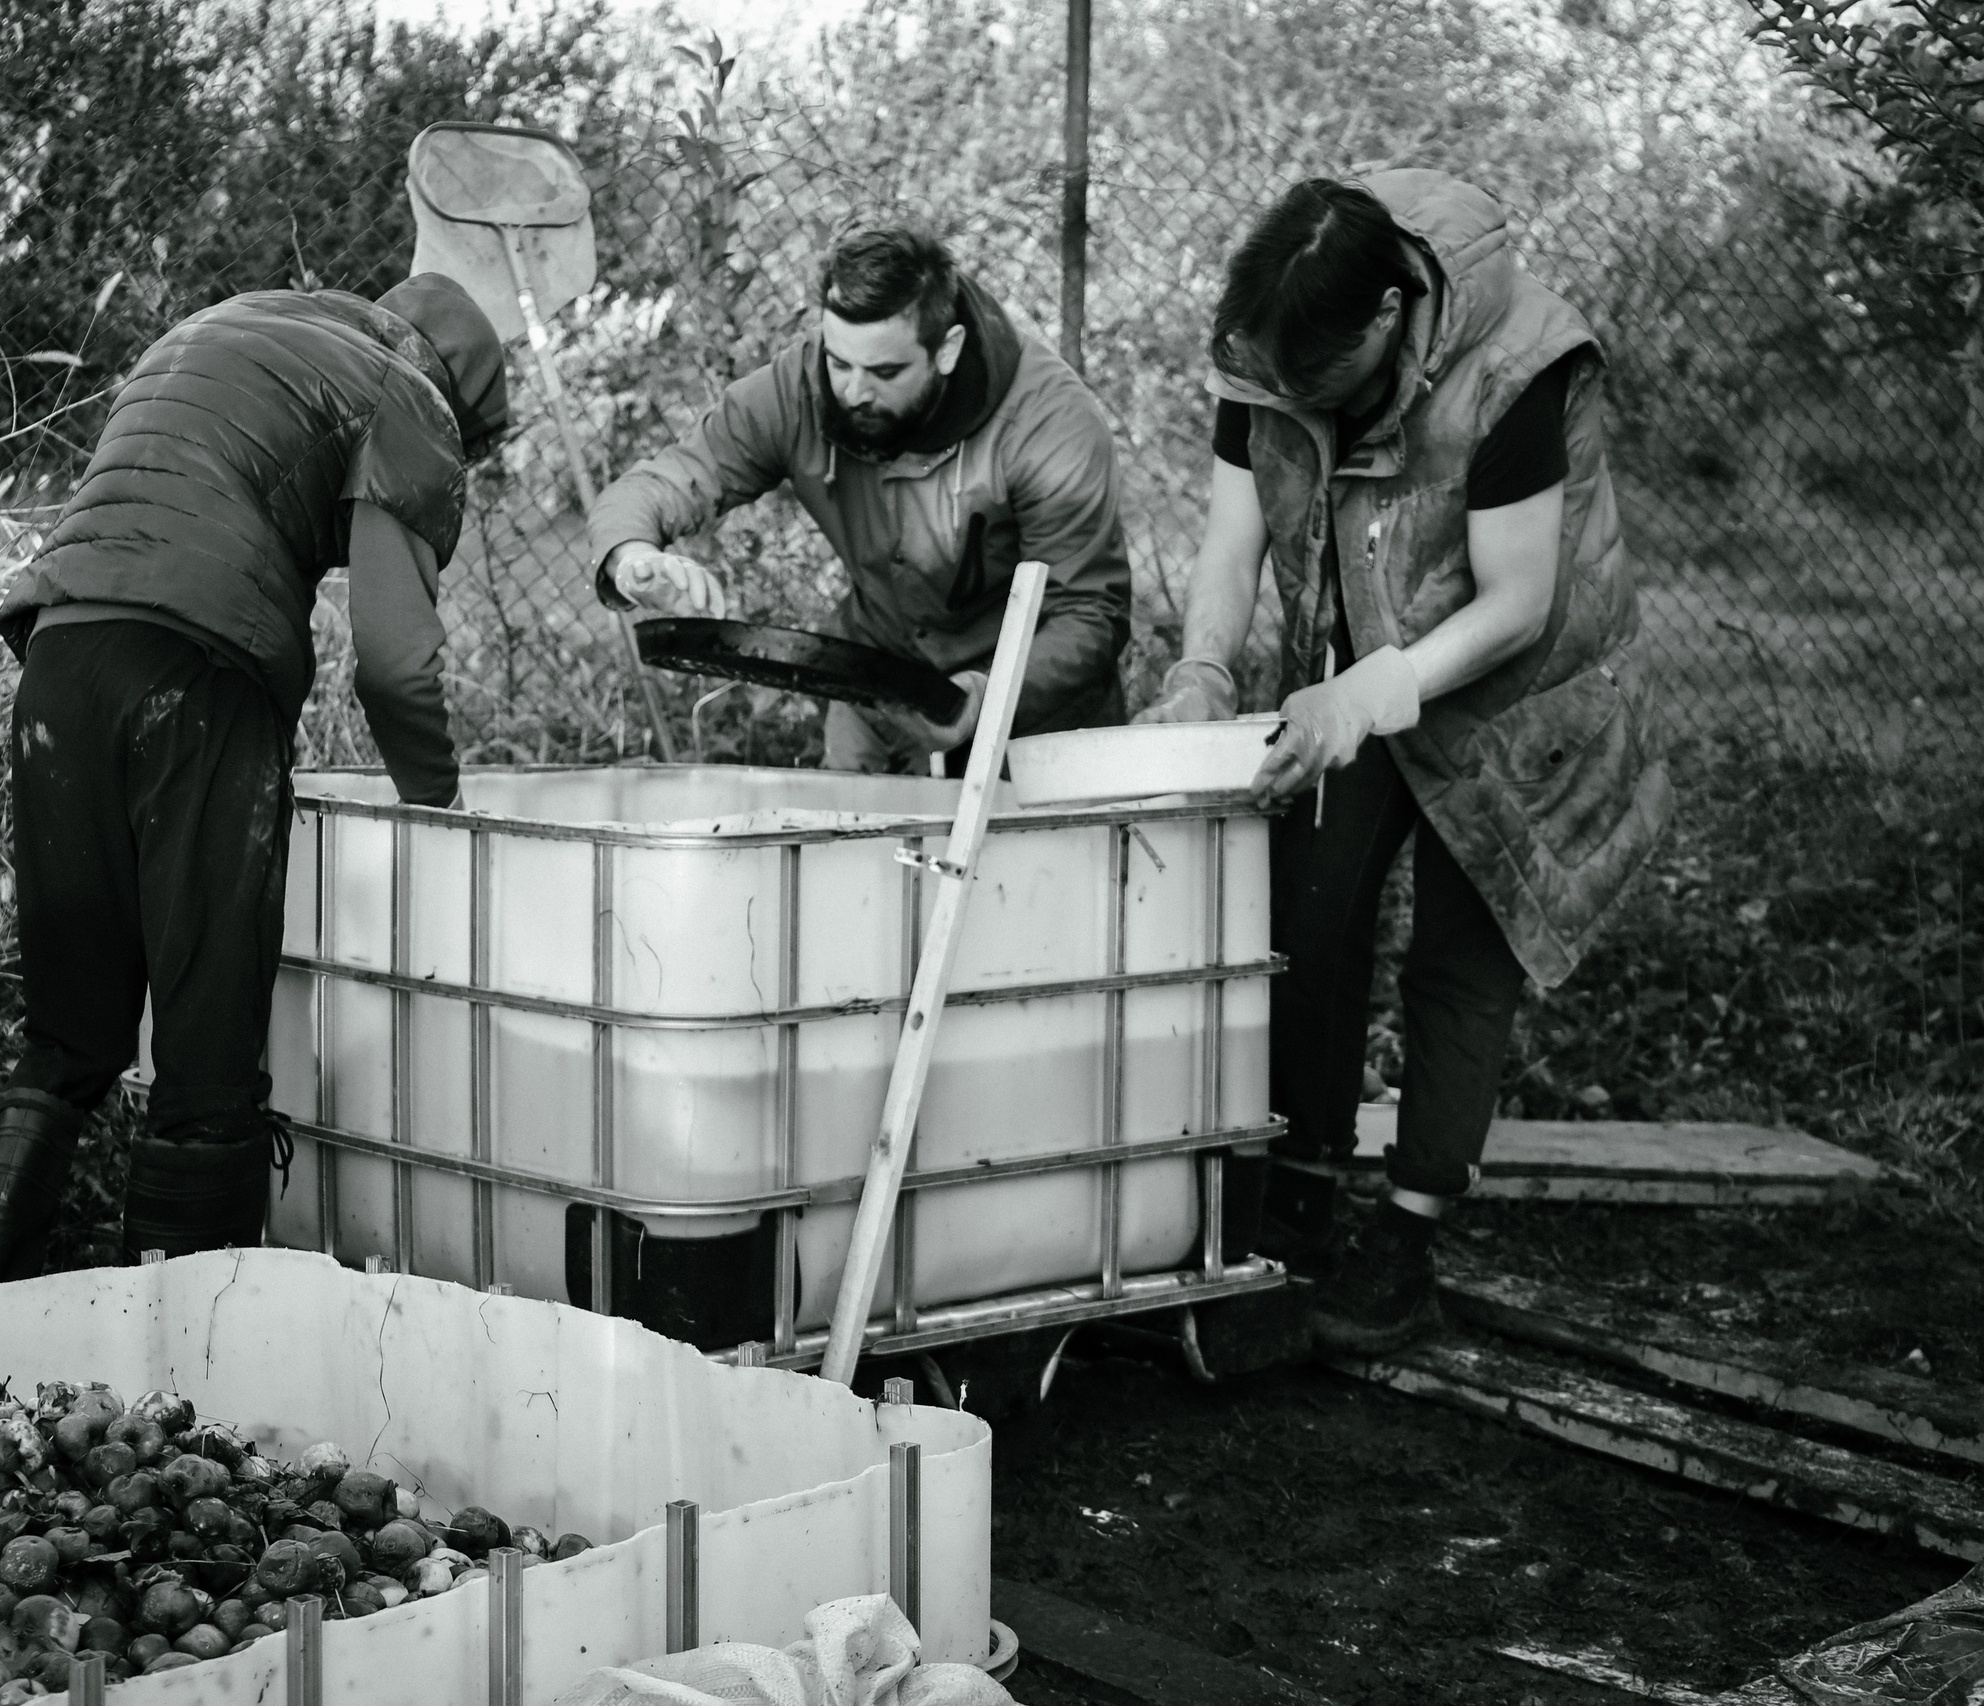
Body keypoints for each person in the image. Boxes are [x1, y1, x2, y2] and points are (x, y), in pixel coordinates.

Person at [1138, 173, 1671, 1353]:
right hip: (1360, 664)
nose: (1291, 405)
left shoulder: (1514, 367)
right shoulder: (1270, 344)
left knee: (1459, 952)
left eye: (1314, 389)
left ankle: (1408, 1236)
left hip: (1526, 691)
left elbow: (1521, 600)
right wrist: (1205, 671)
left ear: (1385, 320)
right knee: (1303, 912)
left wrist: (1371, 688)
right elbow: (1231, 541)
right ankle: (1302, 1195)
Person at [0, 274, 507, 1280]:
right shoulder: (413, 399)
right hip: (200, 674)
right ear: (464, 406)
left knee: (67, 1035)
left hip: (60, 653)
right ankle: (188, 1361)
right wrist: (439, 812)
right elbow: (395, 661)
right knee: (205, 1051)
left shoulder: (236, 323)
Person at [587, 226, 1132, 773]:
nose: (852, 393)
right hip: (877, 685)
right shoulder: (797, 387)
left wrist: (985, 698)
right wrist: (633, 558)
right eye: (839, 363)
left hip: (1034, 710)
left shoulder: (1048, 423)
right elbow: (667, 479)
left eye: (885, 372)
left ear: (948, 350)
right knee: (848, 847)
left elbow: (1088, 613)